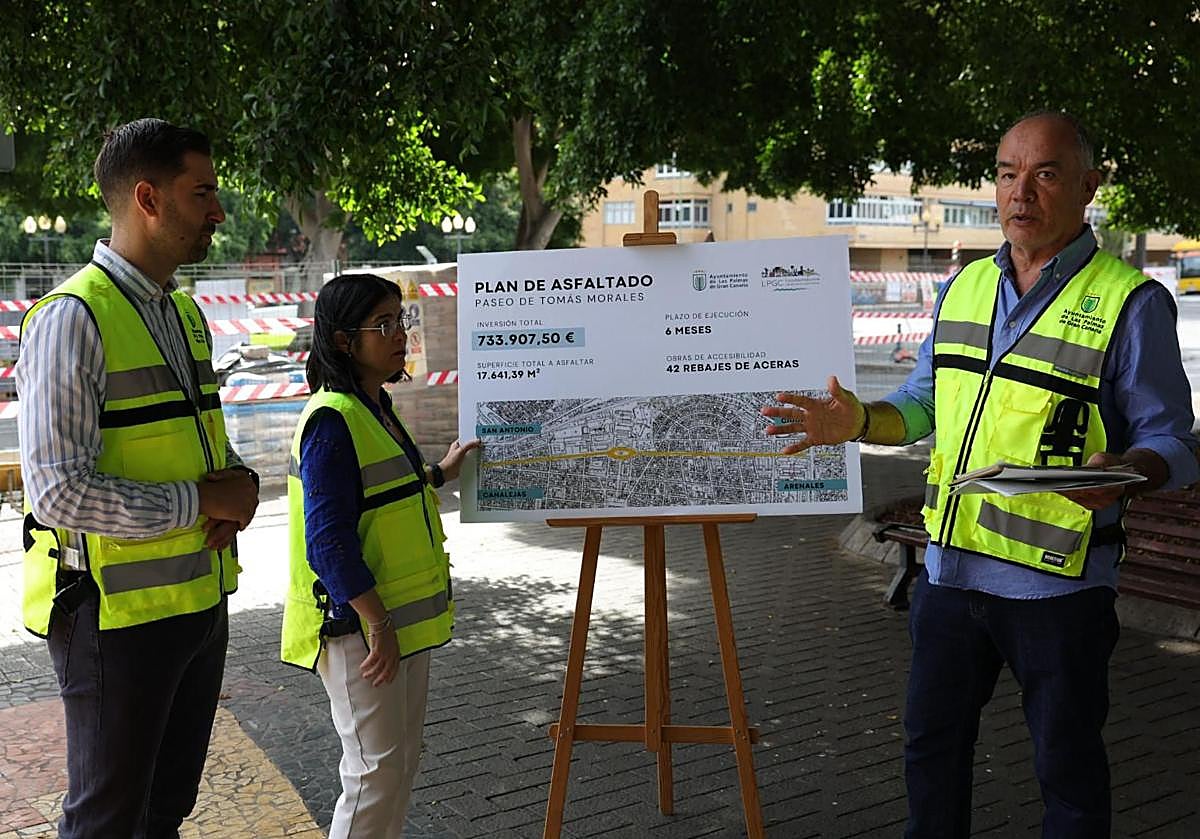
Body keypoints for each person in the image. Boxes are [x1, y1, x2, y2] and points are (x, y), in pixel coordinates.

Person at [762, 111, 1199, 838]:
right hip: (949, 574)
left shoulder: (1132, 302)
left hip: (1057, 589)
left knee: (1068, 776)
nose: (1020, 192)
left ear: (1087, 187)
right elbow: (925, 400)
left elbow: (1175, 441)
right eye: (1006, 173)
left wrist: (1132, 468)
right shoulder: (963, 287)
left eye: (1046, 174)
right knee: (931, 755)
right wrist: (861, 422)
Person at [16, 118, 260, 837]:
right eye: (203, 192)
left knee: (165, 811)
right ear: (148, 198)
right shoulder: (71, 318)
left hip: (196, 601)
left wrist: (239, 484)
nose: (218, 210)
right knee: (105, 820)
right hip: (113, 619)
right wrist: (199, 501)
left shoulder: (183, 313)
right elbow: (57, 490)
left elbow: (194, 441)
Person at [280, 273, 479, 838]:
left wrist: (439, 472)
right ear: (344, 341)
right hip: (359, 631)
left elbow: (382, 492)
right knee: (372, 777)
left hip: (392, 629)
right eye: (383, 324)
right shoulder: (331, 422)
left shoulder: (373, 406)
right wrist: (379, 623)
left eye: (402, 320)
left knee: (394, 770)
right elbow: (328, 541)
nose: (400, 335)